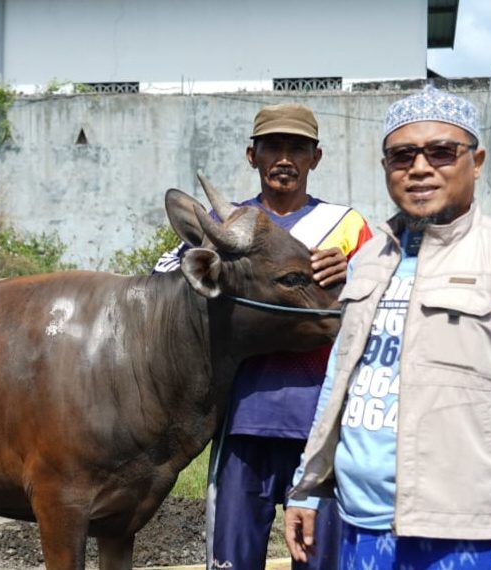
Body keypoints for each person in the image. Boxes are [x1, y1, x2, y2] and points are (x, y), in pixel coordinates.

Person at [284, 86, 491, 570]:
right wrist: (308, 486)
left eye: (441, 152)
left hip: (464, 537)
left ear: (476, 160)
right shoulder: (369, 259)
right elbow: (341, 380)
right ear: (385, 167)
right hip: (361, 527)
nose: (420, 167)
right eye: (402, 156)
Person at [154, 103, 372, 570]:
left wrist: (353, 270)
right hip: (240, 419)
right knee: (231, 562)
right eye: (273, 146)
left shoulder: (347, 226)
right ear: (252, 156)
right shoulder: (227, 223)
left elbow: (386, 295)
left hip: (321, 423)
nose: (285, 158)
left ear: (317, 157)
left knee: (321, 561)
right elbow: (167, 275)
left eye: (298, 148)